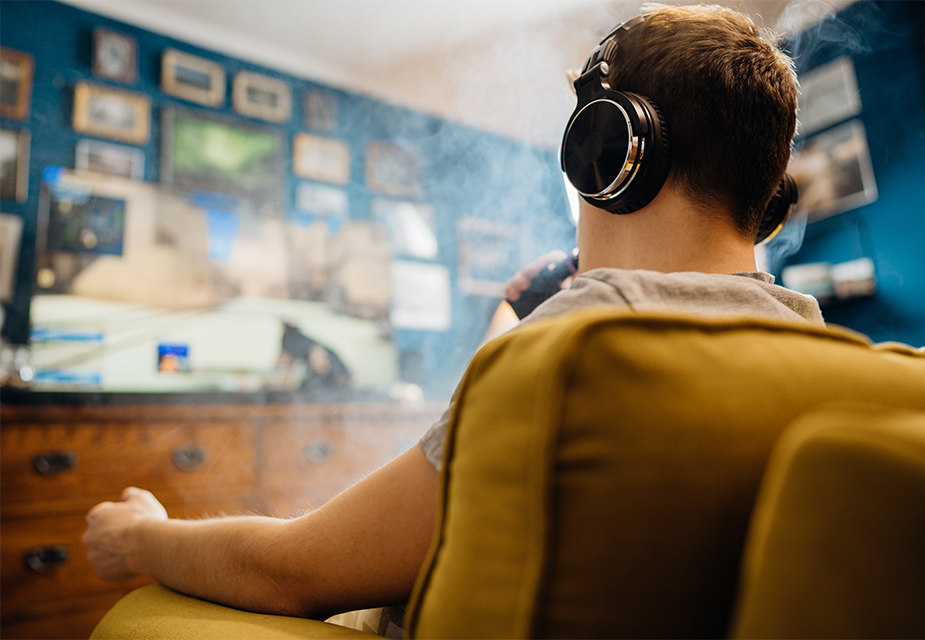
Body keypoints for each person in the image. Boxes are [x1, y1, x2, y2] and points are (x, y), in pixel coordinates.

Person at [83, 2, 822, 625]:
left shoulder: (575, 342)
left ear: (605, 150)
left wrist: (146, 537)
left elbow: (289, 573)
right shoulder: (821, 352)